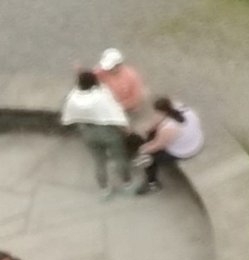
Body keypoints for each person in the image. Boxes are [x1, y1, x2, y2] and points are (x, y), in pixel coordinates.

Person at [62, 67, 132, 196]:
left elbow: (70, 114)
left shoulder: (73, 96)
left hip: (88, 132)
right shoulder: (102, 94)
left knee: (99, 161)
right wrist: (125, 126)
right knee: (119, 158)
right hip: (107, 131)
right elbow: (115, 111)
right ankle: (126, 183)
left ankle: (104, 188)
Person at [132, 99, 205, 196]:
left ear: (161, 112)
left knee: (148, 158)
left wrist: (143, 149)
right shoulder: (182, 107)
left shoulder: (169, 128)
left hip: (186, 150)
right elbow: (156, 122)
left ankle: (152, 183)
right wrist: (150, 129)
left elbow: (159, 145)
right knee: (151, 135)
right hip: (196, 139)